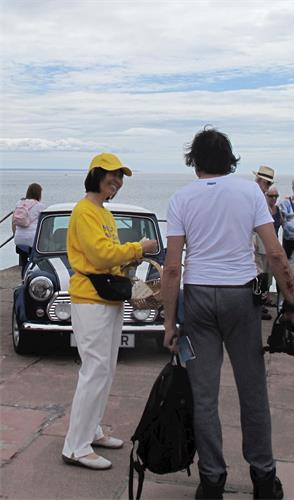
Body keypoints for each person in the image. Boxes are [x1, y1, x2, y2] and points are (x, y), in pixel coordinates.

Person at [161, 128, 294, 500]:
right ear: (230, 160)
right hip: (242, 298)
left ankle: (212, 481)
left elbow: (172, 267)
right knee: (252, 390)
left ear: (194, 162)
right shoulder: (249, 192)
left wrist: (169, 322)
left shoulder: (181, 199)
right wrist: (291, 304)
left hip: (198, 299)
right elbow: (275, 254)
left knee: (203, 394)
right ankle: (264, 477)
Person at [62, 153, 157, 470]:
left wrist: (129, 259)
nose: (117, 182)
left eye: (121, 177)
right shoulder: (84, 211)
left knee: (105, 368)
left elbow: (109, 257)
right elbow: (101, 255)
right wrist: (138, 248)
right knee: (94, 370)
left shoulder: (103, 213)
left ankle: (92, 431)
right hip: (90, 300)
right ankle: (75, 446)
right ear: (96, 176)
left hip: (107, 299)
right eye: (112, 175)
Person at [252, 166, 275, 320]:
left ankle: (261, 303)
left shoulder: (260, 196)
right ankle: (257, 305)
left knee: (264, 274)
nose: (267, 187)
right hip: (257, 242)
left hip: (263, 243)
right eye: (266, 183)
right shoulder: (255, 196)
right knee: (258, 274)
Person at [12, 183, 44, 276]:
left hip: (19, 239)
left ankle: (23, 280)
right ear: (38, 194)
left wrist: (15, 235)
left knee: (24, 263)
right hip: (32, 240)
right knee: (36, 263)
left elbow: (13, 222)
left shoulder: (19, 204)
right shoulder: (40, 206)